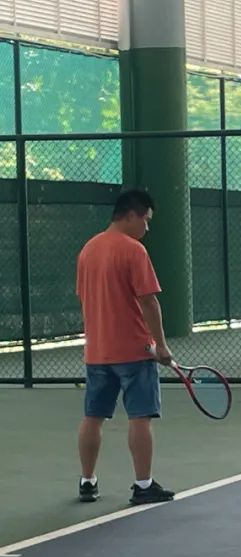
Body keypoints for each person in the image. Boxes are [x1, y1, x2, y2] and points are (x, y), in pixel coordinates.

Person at [75, 190, 175, 505]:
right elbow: (149, 302)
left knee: (93, 416)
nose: (147, 227)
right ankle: (143, 485)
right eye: (146, 220)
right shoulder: (134, 251)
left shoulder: (88, 250)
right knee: (140, 417)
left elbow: (84, 297)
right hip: (135, 352)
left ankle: (87, 481)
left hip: (97, 353)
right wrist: (161, 346)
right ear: (131, 215)